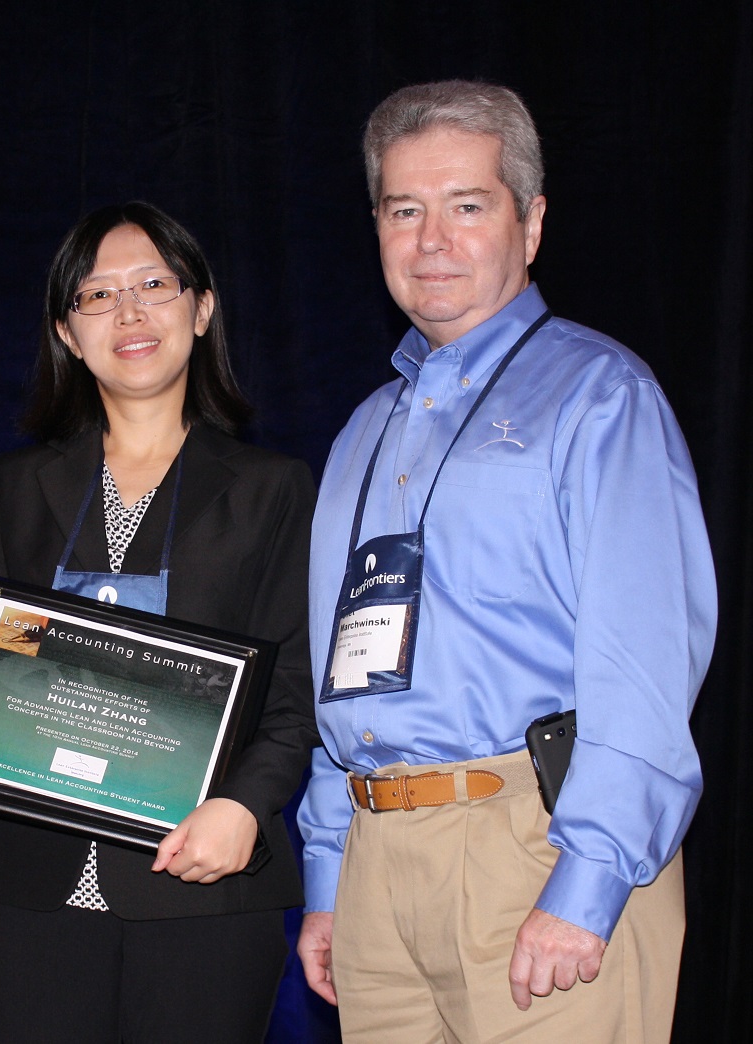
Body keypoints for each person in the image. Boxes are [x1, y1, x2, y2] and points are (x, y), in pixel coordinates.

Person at [296, 80, 717, 1041]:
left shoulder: (602, 396)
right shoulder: (365, 430)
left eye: (467, 206)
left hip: (537, 853)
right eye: (405, 210)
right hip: (377, 870)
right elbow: (346, 666)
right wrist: (331, 875)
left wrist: (592, 876)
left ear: (530, 223)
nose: (431, 239)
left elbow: (646, 662)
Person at [0, 201, 317, 1041]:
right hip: (32, 893)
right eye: (97, 296)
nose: (129, 312)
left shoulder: (275, 488)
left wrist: (244, 806)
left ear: (200, 312)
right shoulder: (17, 485)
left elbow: (299, 688)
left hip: (203, 881)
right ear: (68, 330)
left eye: (154, 285)